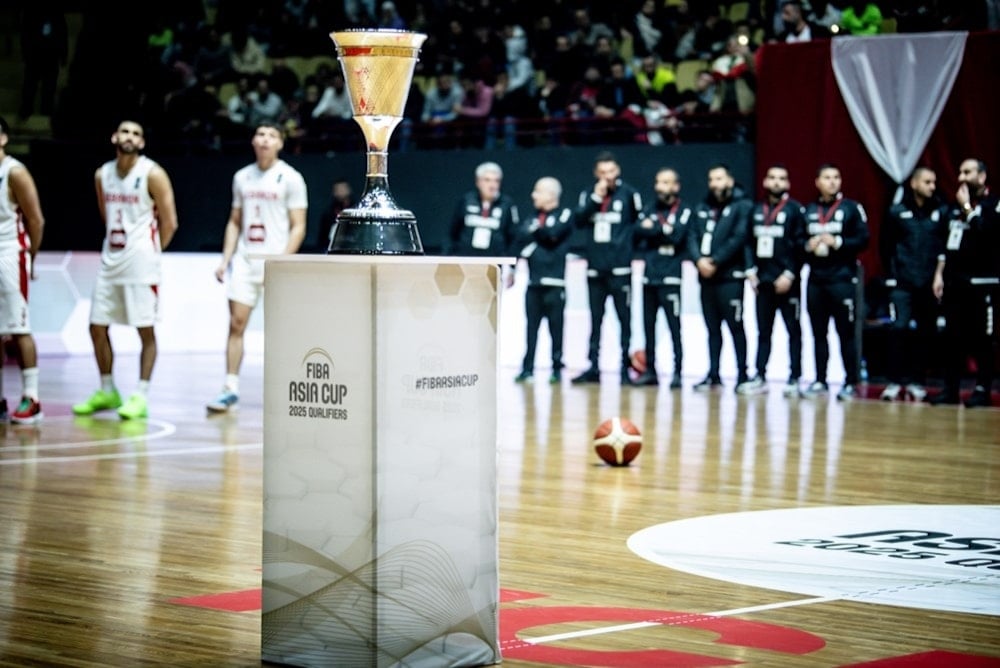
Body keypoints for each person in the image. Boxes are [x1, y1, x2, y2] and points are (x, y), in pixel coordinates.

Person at [72, 120, 179, 420]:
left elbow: (170, 222)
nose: (129, 137)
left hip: (142, 264)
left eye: (136, 133)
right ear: (114, 137)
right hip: (111, 261)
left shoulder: (152, 173)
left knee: (144, 329)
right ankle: (107, 389)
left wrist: (151, 251)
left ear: (142, 142)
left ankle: (141, 394)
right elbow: (106, 215)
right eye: (125, 132)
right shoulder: (102, 174)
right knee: (96, 326)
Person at [206, 122, 307, 413]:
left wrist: (281, 262)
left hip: (275, 263)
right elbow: (234, 221)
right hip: (244, 261)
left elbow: (298, 226)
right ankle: (230, 387)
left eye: (272, 136)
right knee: (236, 324)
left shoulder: (291, 178)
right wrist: (225, 259)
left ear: (280, 144)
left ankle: (286, 389)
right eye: (261, 134)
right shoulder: (242, 177)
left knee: (280, 330)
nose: (265, 140)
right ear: (253, 141)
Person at [931, 159, 999, 408]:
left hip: (983, 283)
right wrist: (939, 274)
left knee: (982, 339)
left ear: (982, 177)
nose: (961, 177)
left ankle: (982, 390)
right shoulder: (952, 209)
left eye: (967, 172)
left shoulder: (995, 205)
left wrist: (969, 209)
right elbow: (946, 244)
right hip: (955, 284)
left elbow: (988, 233)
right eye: (959, 171)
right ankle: (950, 389)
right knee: (952, 338)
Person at [572, 151, 643, 385]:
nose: (607, 177)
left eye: (611, 172)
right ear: (596, 174)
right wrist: (595, 197)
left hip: (620, 269)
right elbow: (579, 221)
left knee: (625, 319)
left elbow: (639, 225)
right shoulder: (588, 194)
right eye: (602, 173)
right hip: (595, 269)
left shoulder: (630, 194)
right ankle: (593, 366)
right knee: (595, 319)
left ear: (618, 171)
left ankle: (625, 368)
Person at [802, 163, 870, 400]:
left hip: (842, 279)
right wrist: (806, 246)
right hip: (815, 281)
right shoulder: (809, 210)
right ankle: (820, 380)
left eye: (836, 177)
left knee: (846, 333)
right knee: (818, 333)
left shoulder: (851, 208)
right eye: (827, 177)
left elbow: (864, 239)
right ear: (817, 182)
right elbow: (797, 242)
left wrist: (838, 242)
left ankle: (850, 381)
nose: (832, 182)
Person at [879, 166, 948, 401]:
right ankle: (894, 381)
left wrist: (938, 276)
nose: (932, 187)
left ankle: (917, 381)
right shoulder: (897, 212)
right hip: (902, 283)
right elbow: (885, 245)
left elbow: (943, 248)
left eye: (934, 182)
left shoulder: (941, 211)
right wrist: (893, 275)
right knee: (898, 328)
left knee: (925, 332)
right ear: (915, 184)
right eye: (927, 182)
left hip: (928, 283)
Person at [742, 164, 807, 396]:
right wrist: (750, 271)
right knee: (763, 331)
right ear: (765, 182)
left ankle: (795, 377)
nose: (777, 182)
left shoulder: (795, 210)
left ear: (788, 184)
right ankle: (759, 375)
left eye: (782, 178)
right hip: (763, 282)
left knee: (794, 330)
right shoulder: (756, 209)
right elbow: (748, 242)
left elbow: (801, 246)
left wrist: (789, 274)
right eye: (772, 177)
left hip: (787, 283)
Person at [688, 163, 753, 392]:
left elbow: (738, 237)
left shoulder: (742, 206)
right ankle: (713, 374)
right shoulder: (702, 207)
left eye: (720, 178)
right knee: (712, 329)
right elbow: (692, 236)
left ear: (730, 180)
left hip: (730, 278)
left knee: (736, 326)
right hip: (706, 278)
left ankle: (743, 374)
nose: (716, 184)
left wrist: (715, 261)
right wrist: (698, 260)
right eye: (712, 179)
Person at [0, 116, 46, 423]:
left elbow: (36, 220)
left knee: (19, 328)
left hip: (9, 254)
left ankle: (32, 398)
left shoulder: (14, 172)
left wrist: (32, 257)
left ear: (3, 138)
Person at [632, 167, 691, 388]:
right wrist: (660, 230)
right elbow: (638, 233)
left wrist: (654, 229)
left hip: (671, 279)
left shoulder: (684, 211)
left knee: (675, 327)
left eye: (668, 183)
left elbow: (677, 237)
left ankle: (678, 371)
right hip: (649, 278)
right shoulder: (648, 209)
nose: (663, 187)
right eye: (659, 182)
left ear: (676, 186)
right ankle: (650, 370)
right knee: (648, 327)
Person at [513, 177, 575, 384]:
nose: (533, 195)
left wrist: (537, 233)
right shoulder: (532, 217)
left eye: (537, 191)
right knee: (531, 328)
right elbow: (520, 237)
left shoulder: (564, 214)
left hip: (555, 283)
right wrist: (539, 235)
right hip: (533, 283)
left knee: (556, 329)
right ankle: (527, 368)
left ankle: (557, 368)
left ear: (550, 195)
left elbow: (553, 235)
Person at [444, 161, 519, 257]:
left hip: (495, 261)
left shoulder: (507, 204)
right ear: (478, 182)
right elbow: (453, 232)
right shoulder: (467, 200)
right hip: (466, 259)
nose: (492, 185)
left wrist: (509, 262)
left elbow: (513, 236)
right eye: (487, 180)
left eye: (496, 181)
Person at [317, 178, 354, 252]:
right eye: (337, 190)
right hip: (330, 248)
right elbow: (322, 237)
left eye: (343, 189)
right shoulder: (328, 213)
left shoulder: (356, 211)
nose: (340, 192)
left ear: (349, 190)